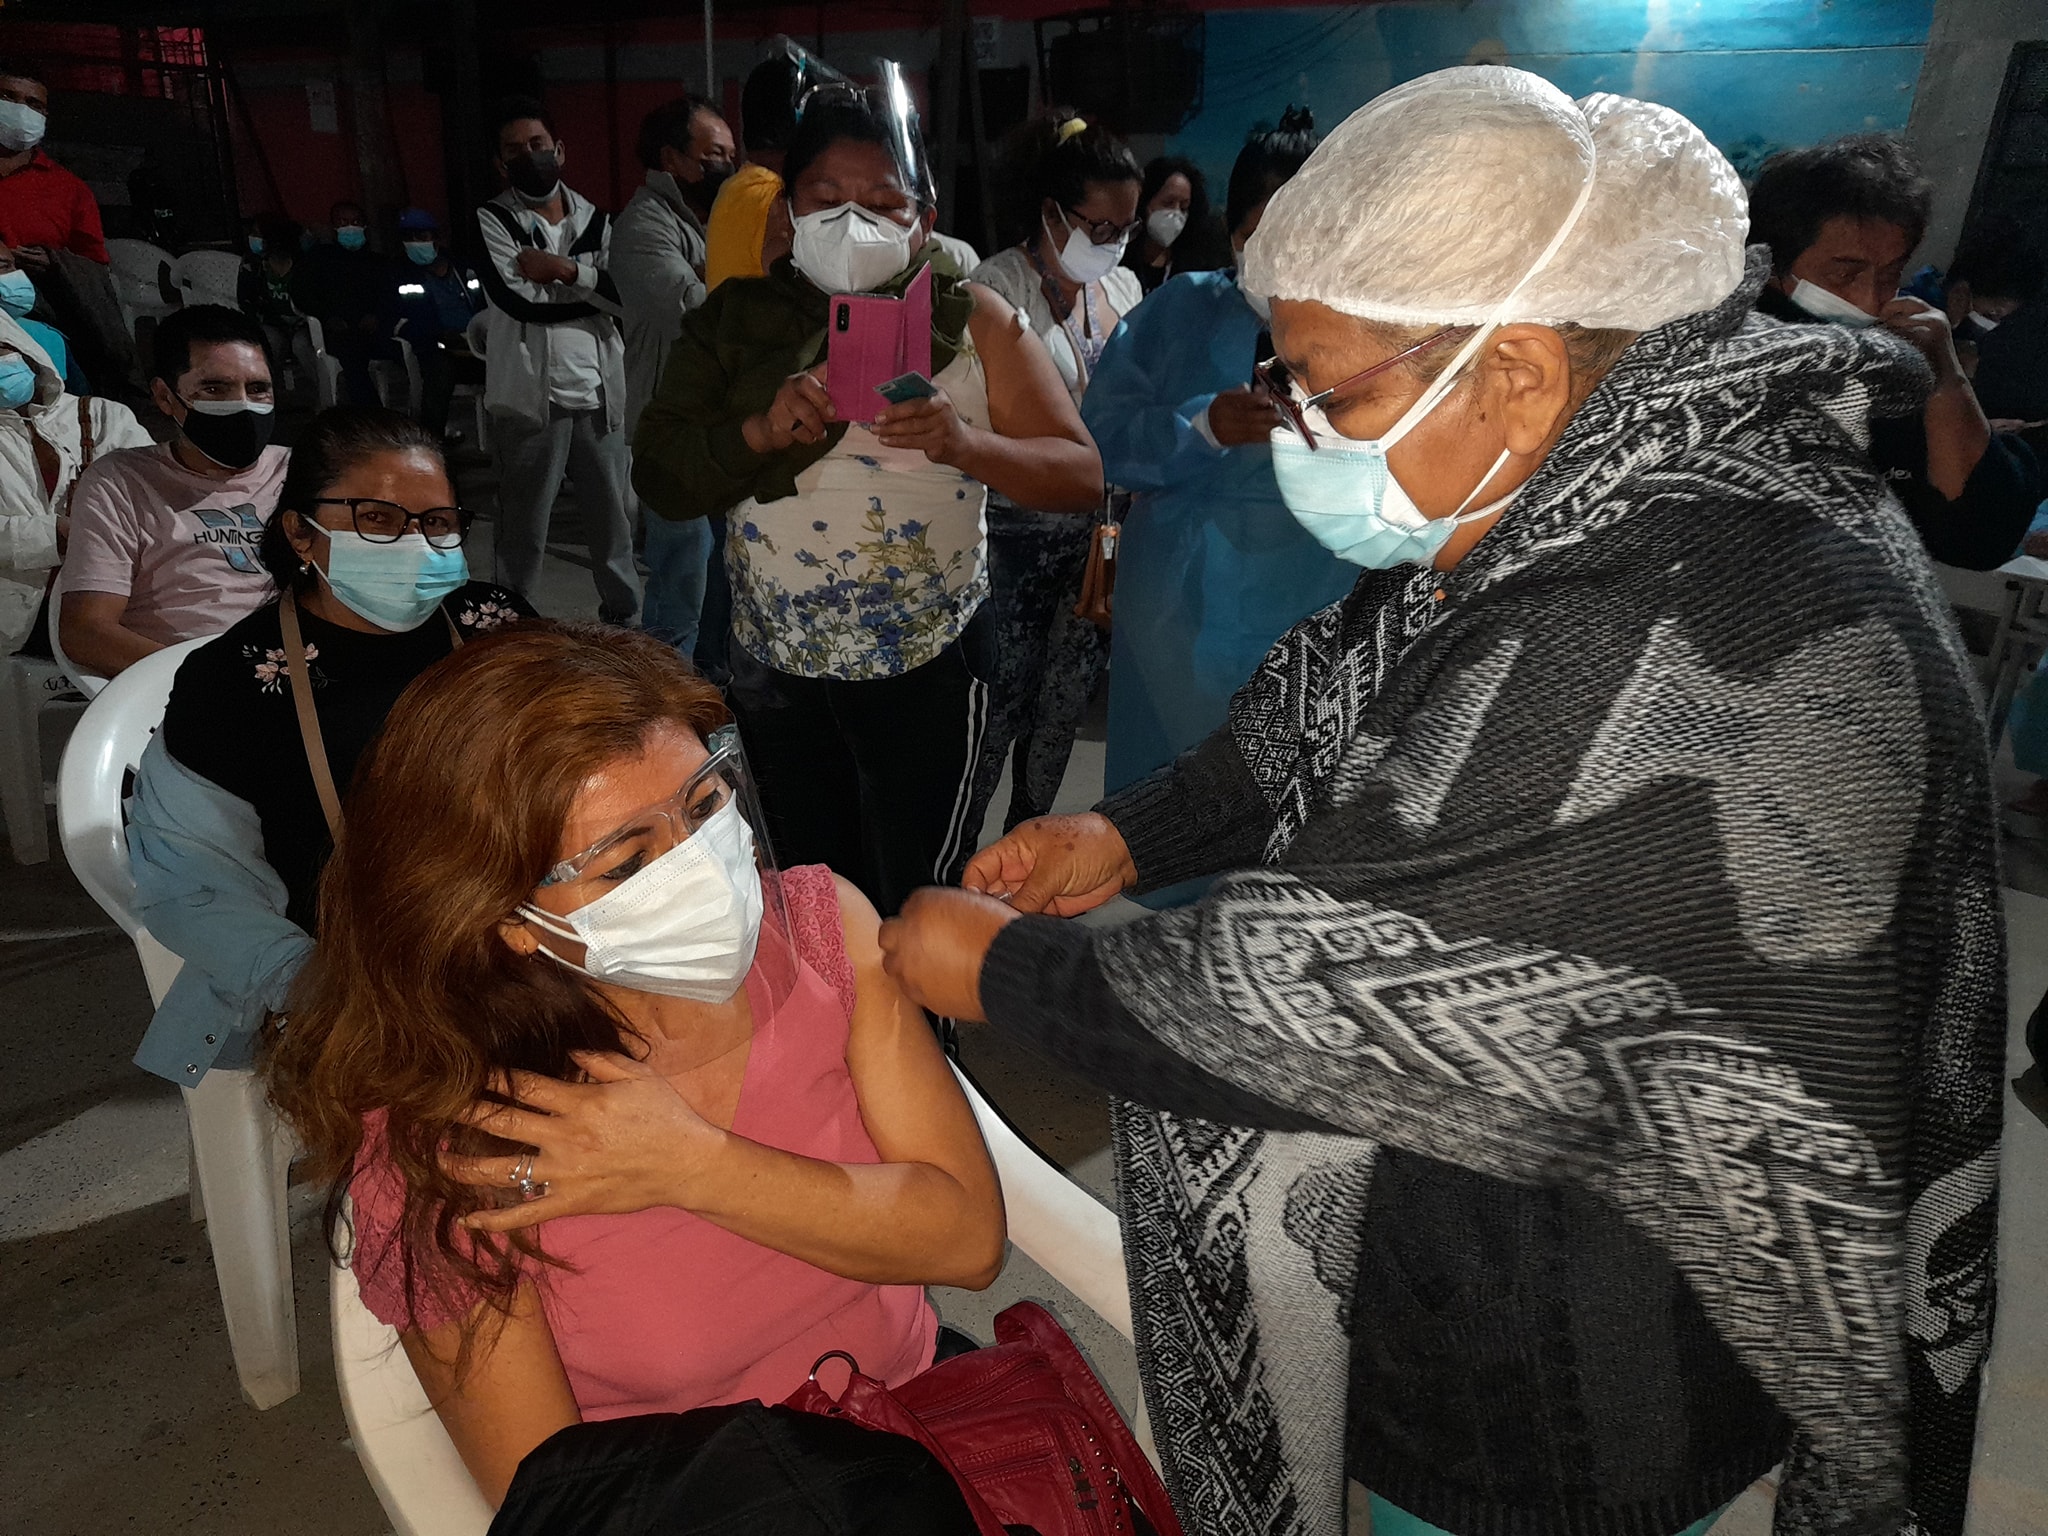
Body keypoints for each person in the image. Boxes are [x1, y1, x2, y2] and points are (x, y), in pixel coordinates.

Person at [879, 67, 2002, 1536]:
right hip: (1546, 1252)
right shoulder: (1635, 478)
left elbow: (1296, 998)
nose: (1297, 427)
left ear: (1516, 369)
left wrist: (1003, 973)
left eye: (1331, 390)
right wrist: (1129, 830)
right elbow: (1335, 698)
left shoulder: (1651, 603)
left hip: (1569, 1356)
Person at [259, 620, 1005, 1504]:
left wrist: (697, 1168)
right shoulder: (461, 1128)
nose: (705, 870)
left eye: (704, 806)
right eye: (625, 863)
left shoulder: (821, 932)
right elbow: (557, 1500)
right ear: (504, 918)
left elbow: (968, 1240)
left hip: (933, 1429)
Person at [632, 89, 1100, 915]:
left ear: (924, 219)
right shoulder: (736, 321)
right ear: (788, 209)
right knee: (810, 890)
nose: (854, 225)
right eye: (827, 200)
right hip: (776, 668)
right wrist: (758, 431)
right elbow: (661, 478)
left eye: (884, 205)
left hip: (927, 666)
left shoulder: (973, 319)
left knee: (914, 895)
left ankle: (916, 998)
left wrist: (966, 444)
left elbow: (1080, 472)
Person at [124, 407, 532, 1083]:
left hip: (523, 933)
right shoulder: (234, 683)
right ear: (300, 533)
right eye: (377, 519)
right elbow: (193, 883)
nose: (416, 542)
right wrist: (320, 990)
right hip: (354, 974)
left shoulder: (493, 625)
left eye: (436, 522)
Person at [1084, 108, 1352, 849]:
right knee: (1182, 802)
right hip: (1182, 604)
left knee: (1297, 809)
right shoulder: (1180, 310)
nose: (1284, 254)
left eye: (1305, 231)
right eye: (1264, 231)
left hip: (1317, 593)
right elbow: (1101, 438)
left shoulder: (1364, 328)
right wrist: (1203, 427)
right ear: (1234, 226)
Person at [1750, 134, 2040, 569]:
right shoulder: (1720, 352)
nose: (1871, 300)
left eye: (1890, 274)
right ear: (1772, 264)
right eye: (1844, 275)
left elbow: (1979, 539)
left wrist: (1945, 377)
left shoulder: (1892, 365)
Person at [968, 116, 1142, 835]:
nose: (1114, 243)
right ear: (1051, 212)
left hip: (1095, 537)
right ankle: (960, 849)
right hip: (1014, 532)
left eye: (1124, 229)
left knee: (1063, 700)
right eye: (1099, 227)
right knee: (999, 701)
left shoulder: (1125, 288)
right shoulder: (997, 286)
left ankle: (1027, 837)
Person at [476, 95, 640, 624]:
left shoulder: (599, 220)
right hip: (531, 401)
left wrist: (564, 271)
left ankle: (624, 619)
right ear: (501, 163)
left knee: (614, 521)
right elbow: (518, 300)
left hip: (600, 394)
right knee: (523, 526)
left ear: (560, 150)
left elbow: (628, 298)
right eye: (514, 150)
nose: (529, 155)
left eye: (538, 143)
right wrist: (594, 291)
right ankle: (511, 624)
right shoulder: (494, 218)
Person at [58, 304, 285, 680]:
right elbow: (86, 632)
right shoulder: (122, 483)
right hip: (179, 686)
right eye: (214, 389)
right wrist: (211, 680)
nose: (243, 405)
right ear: (165, 397)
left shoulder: (303, 473)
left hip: (301, 679)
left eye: (258, 389)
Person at [613, 95, 734, 657]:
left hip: (717, 421)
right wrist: (736, 277)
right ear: (671, 159)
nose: (726, 166)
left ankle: (709, 678)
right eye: (713, 155)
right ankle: (664, 683)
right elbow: (691, 308)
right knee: (682, 569)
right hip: (670, 425)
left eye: (730, 154)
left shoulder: (711, 221)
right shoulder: (643, 224)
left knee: (722, 568)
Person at [0, 311, 149, 658]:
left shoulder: (104, 416)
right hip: (19, 622)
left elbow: (153, 494)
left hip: (120, 599)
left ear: (23, 348)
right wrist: (55, 535)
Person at [0, 59, 107, 267]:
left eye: (34, 104)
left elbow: (95, 267)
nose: (20, 110)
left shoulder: (71, 190)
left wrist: (57, 263)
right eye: (8, 97)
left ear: (44, 115)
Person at [292, 199, 398, 409]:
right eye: (343, 222)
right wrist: (327, 317)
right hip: (338, 331)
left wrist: (378, 315)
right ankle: (372, 414)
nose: (350, 227)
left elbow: (391, 295)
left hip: (377, 329)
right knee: (351, 356)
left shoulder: (378, 263)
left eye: (356, 222)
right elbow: (302, 294)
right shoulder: (318, 260)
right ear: (333, 227)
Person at [391, 207, 485, 441]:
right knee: (440, 370)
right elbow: (399, 320)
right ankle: (432, 441)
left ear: (436, 238)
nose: (416, 243)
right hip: (435, 349)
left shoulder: (463, 268)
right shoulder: (400, 273)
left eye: (422, 236)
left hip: (476, 344)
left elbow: (483, 306)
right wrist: (440, 336)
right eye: (409, 237)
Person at [1121, 154, 1225, 297]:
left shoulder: (1196, 269)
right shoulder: (1120, 260)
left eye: (1183, 207)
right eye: (1168, 203)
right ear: (1144, 201)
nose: (1176, 213)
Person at [0, 236, 85, 393]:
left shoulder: (46, 335)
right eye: (3, 267)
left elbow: (77, 398)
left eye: (15, 266)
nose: (16, 274)